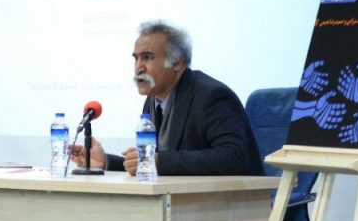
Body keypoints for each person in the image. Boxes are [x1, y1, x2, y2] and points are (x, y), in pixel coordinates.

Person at [72, 20, 263, 176]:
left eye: (147, 57)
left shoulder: (211, 96)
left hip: (230, 205)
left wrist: (159, 161)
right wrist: (106, 162)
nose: (138, 67)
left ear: (177, 62)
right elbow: (152, 165)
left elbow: (235, 157)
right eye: (136, 58)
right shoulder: (153, 100)